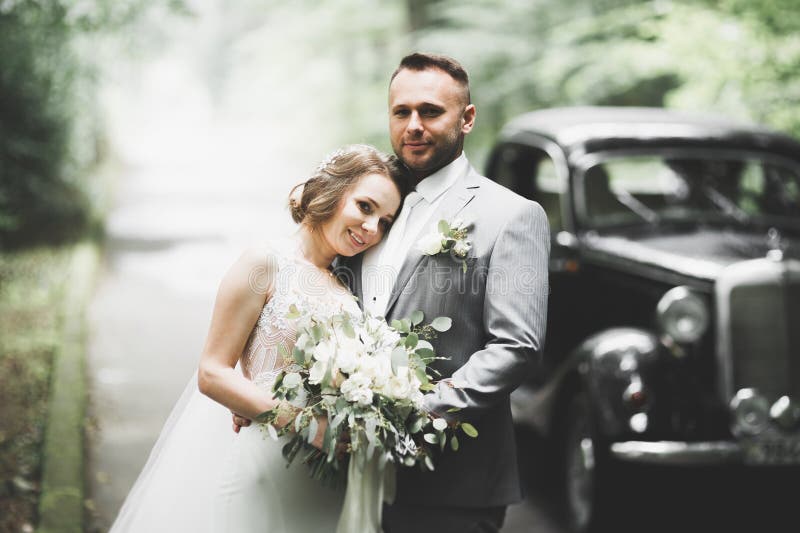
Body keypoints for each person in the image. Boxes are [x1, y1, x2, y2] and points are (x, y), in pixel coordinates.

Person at [108, 144, 405, 533]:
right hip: (266, 463)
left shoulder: (350, 281)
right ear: (333, 191)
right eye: (365, 207)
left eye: (385, 221)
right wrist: (304, 424)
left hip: (324, 479)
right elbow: (213, 372)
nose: (372, 228)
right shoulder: (264, 262)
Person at [347, 52, 550, 532]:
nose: (413, 125)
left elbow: (516, 345)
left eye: (431, 111)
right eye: (402, 112)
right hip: (349, 473)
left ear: (467, 118)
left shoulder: (512, 216)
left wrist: (420, 411)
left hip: (452, 486)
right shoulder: (368, 205)